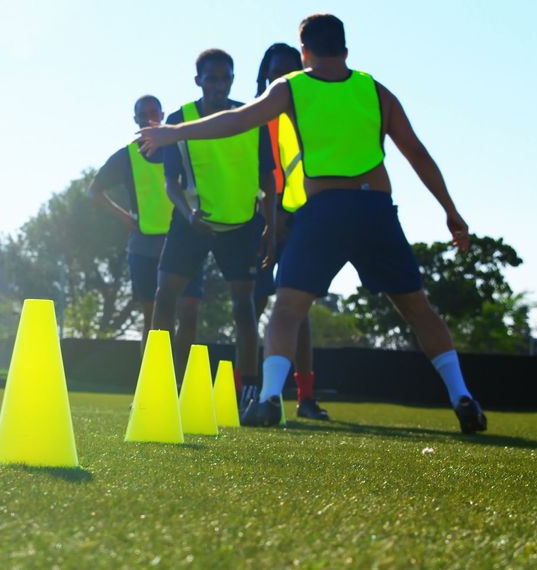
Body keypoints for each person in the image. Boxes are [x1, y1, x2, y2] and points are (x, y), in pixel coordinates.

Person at [137, 14, 487, 433]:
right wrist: (450, 209)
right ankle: (461, 395)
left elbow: (237, 121)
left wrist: (173, 133)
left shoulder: (293, 87)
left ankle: (268, 399)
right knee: (417, 308)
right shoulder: (374, 90)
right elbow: (416, 151)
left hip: (325, 211)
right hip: (376, 207)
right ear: (345, 49)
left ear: (304, 53)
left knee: (287, 309)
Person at [151, 48, 277, 393]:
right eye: (212, 78)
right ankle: (158, 384)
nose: (220, 85)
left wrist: (271, 225)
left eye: (226, 78)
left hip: (240, 225)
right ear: (198, 81)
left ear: (232, 79)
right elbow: (170, 182)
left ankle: (248, 390)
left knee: (243, 307)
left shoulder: (250, 117)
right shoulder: (180, 119)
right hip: (192, 223)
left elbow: (269, 177)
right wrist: (188, 212)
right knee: (165, 298)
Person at [88, 95, 203, 372]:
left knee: (189, 313)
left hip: (185, 240)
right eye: (143, 114)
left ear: (162, 115)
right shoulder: (127, 156)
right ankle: (152, 386)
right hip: (145, 246)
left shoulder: (180, 147)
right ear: (135, 120)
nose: (149, 118)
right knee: (153, 317)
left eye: (154, 112)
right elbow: (94, 190)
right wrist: (125, 217)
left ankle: (180, 384)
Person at [250, 42, 328, 421]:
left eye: (288, 69)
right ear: (264, 77)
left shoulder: (309, 111)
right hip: (257, 217)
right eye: (273, 71)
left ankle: (306, 397)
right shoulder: (252, 116)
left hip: (300, 216)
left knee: (298, 309)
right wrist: (266, 216)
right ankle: (253, 391)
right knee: (251, 305)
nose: (280, 77)